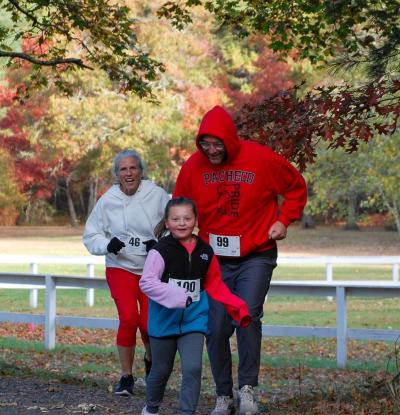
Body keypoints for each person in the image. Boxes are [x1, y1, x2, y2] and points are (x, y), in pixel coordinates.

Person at [173, 106, 307, 415]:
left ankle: (248, 389)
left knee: (247, 315)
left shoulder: (261, 159)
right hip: (215, 260)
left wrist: (284, 220)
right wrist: (182, 235)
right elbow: (180, 204)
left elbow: (296, 186)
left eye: (217, 143)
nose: (212, 150)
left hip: (255, 255)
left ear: (230, 140)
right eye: (205, 144)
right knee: (216, 327)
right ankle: (224, 394)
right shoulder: (193, 166)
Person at [139, 197, 251, 415]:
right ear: (167, 222)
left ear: (196, 220)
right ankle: (151, 408)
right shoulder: (160, 251)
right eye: (176, 219)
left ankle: (186, 412)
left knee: (193, 368)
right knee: (161, 370)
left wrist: (239, 307)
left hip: (194, 321)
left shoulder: (205, 251)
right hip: (163, 321)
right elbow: (147, 282)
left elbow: (215, 284)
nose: (182, 223)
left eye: (187, 218)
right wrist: (177, 295)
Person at [83, 149, 169, 396]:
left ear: (141, 171)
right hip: (120, 266)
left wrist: (160, 244)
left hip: (152, 269)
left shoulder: (157, 195)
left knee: (148, 322)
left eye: (133, 168)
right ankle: (126, 377)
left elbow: (176, 223)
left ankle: (151, 364)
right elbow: (91, 234)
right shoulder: (107, 200)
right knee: (129, 318)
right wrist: (107, 245)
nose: (128, 173)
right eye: (123, 169)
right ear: (117, 173)